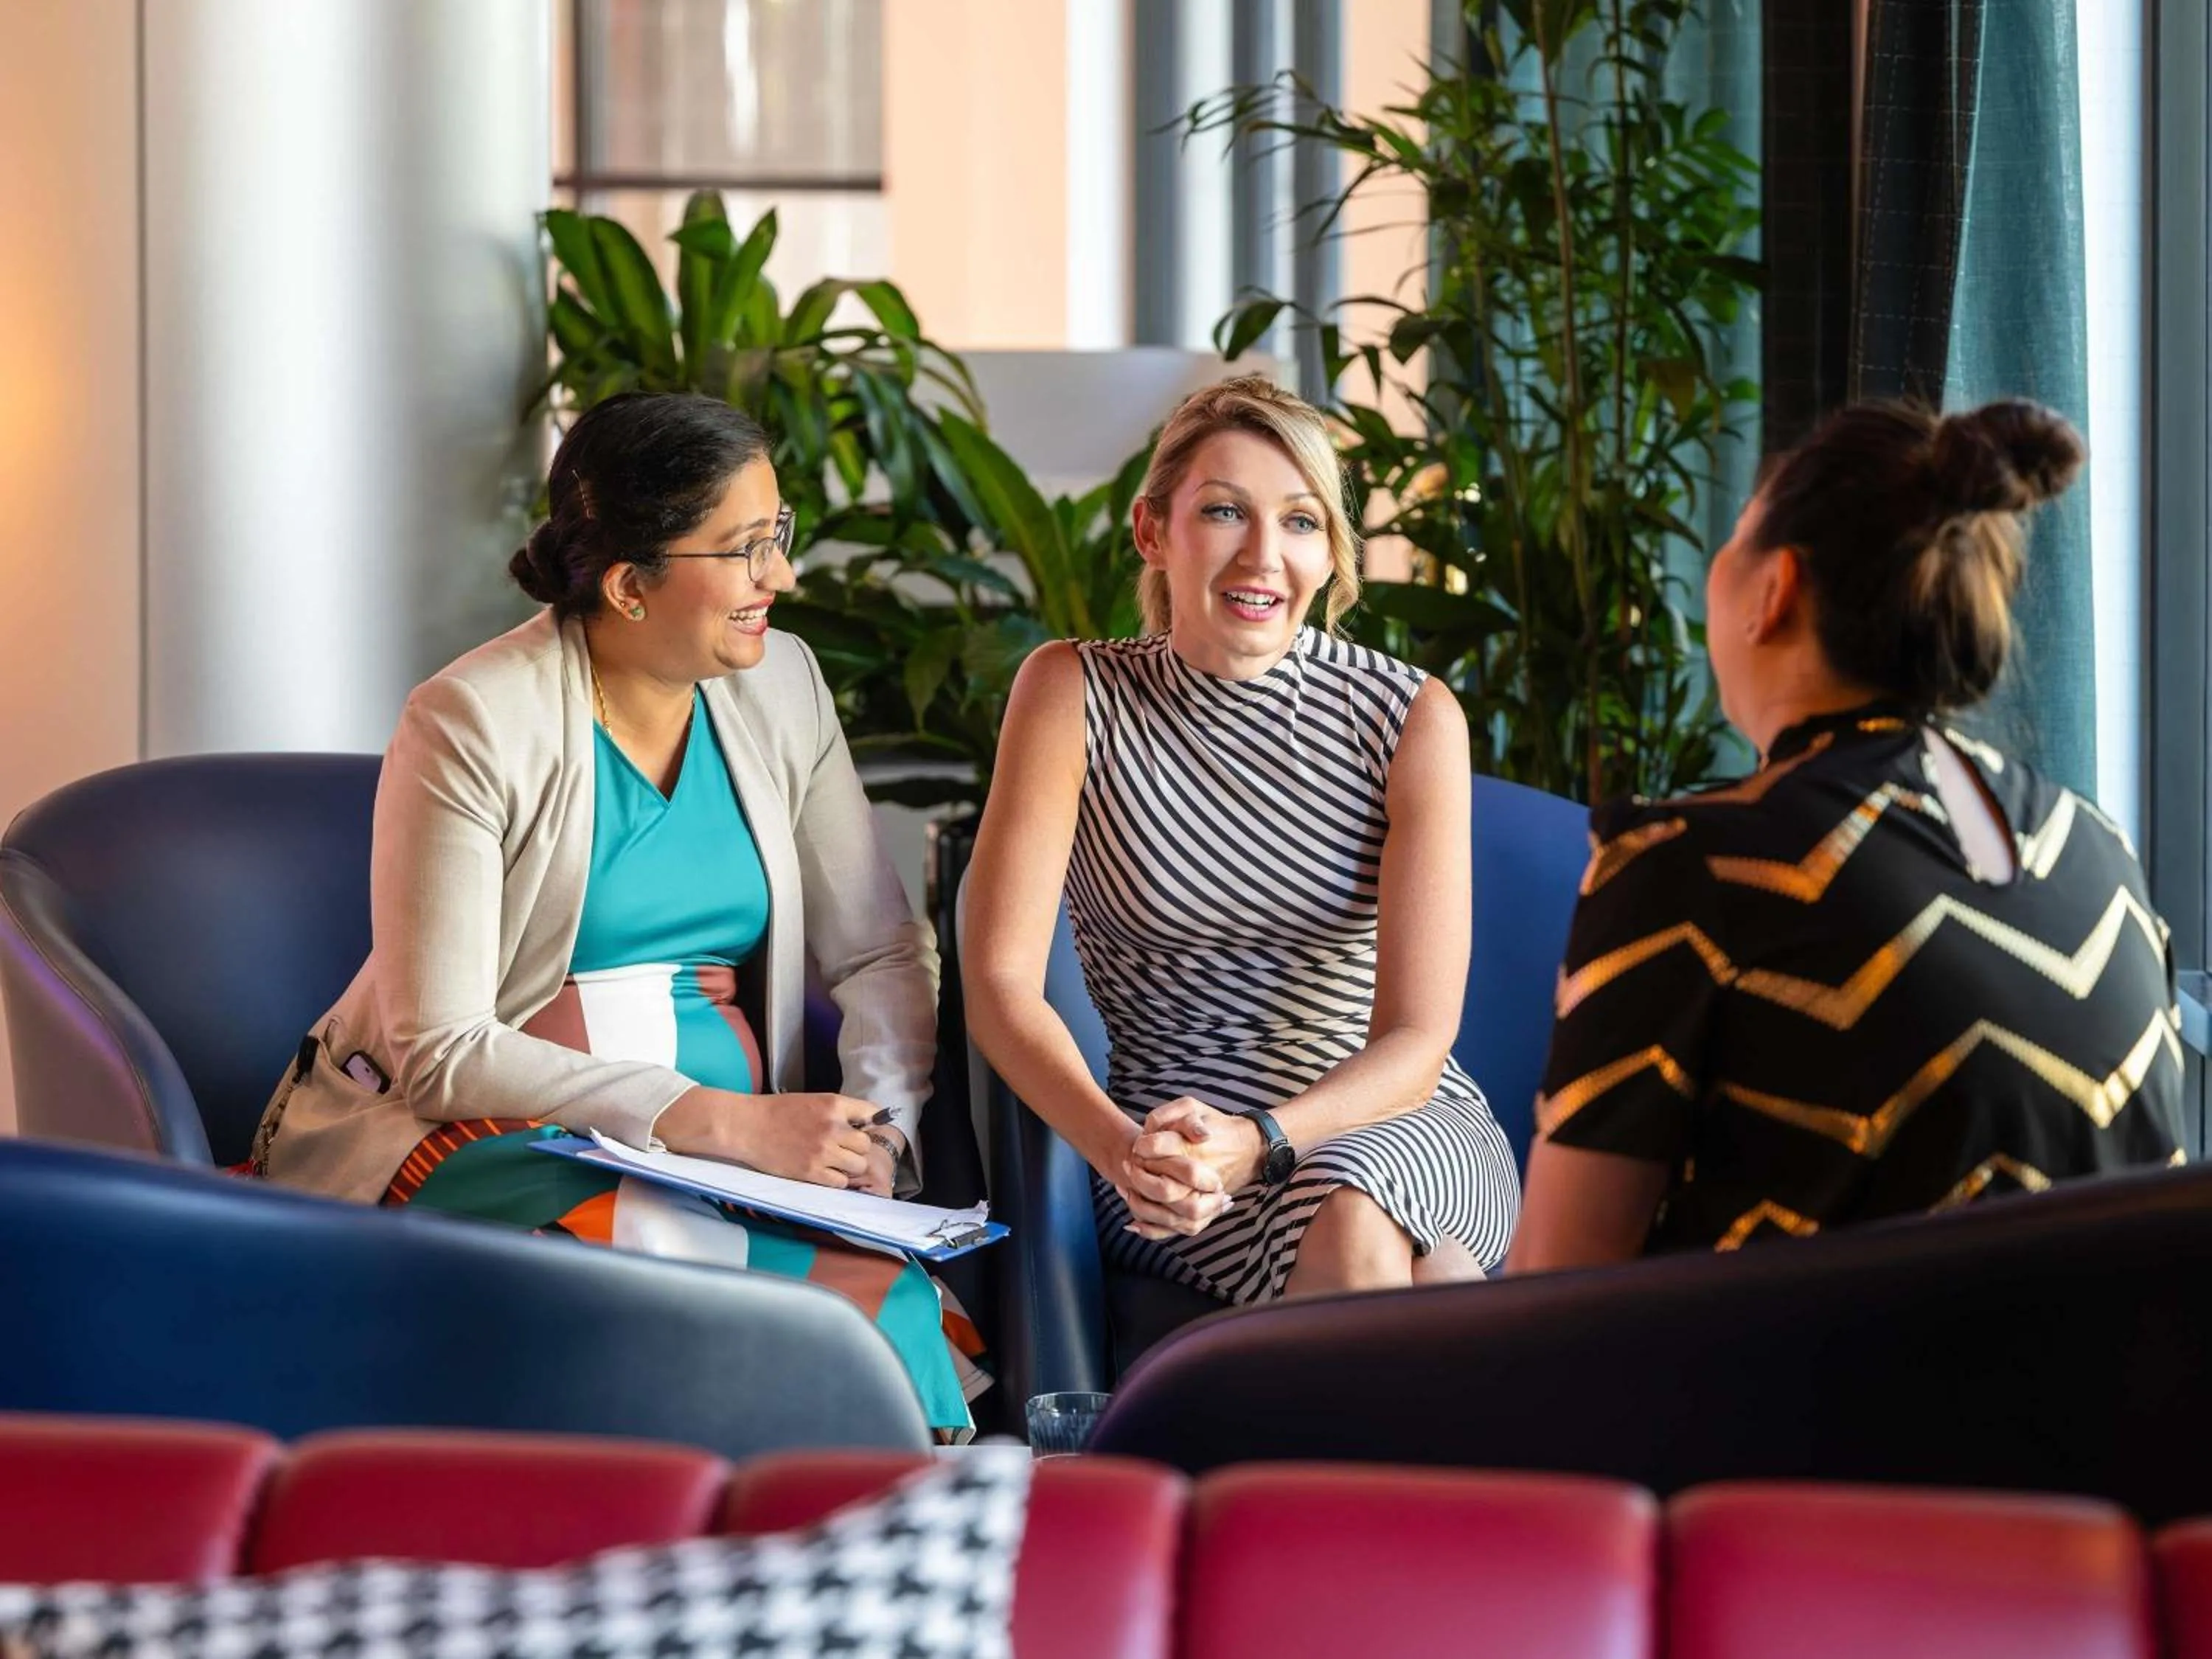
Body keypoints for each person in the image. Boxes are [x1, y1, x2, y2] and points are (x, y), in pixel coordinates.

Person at [251, 392, 980, 1433]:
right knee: (818, 1312)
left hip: (739, 1158)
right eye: (746, 549)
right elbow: (443, 1052)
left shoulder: (784, 683)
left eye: (779, 534)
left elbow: (876, 949)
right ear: (632, 583)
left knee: (875, 1295)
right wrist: (720, 1118)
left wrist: (878, 1132)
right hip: (496, 1141)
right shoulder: (471, 720)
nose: (784, 575)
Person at [1509, 399, 2185, 1273]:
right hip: (2124, 1405)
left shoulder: (1692, 865)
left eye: (1736, 533)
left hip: (1821, 1404)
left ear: (1774, 589)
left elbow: (1562, 1287)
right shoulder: (2097, 848)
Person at [963, 375, 1520, 1302]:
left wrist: (1263, 1138)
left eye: (1302, 522)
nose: (1265, 556)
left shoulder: (1409, 715)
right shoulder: (1070, 693)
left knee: (1358, 1214)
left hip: (1392, 1116)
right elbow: (998, 984)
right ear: (1153, 532)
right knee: (1425, 1276)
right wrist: (1122, 1152)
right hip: (1169, 1149)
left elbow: (1419, 1040)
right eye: (1225, 511)